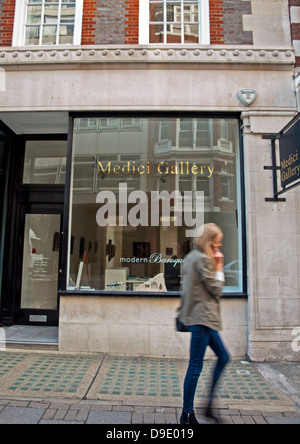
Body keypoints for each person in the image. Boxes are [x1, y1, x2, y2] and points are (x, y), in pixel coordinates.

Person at [179, 223, 230, 424]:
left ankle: (206, 405)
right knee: (195, 366)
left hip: (199, 318)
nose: (219, 244)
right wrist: (219, 265)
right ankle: (187, 414)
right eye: (217, 240)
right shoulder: (203, 260)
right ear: (210, 240)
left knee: (223, 357)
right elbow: (216, 290)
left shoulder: (191, 257)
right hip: (202, 319)